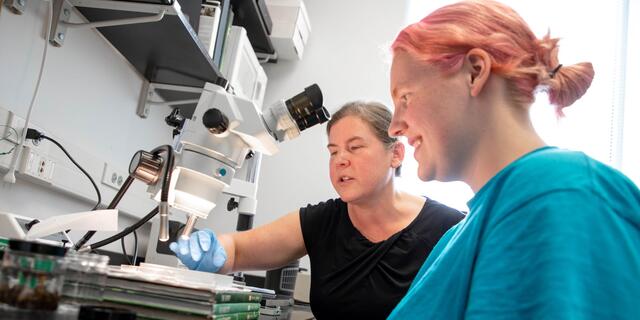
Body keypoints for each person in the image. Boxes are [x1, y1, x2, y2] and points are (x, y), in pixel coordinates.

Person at [385, 1, 640, 319]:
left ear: (475, 72)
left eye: (404, 97)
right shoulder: (462, 234)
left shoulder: (559, 194)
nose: (395, 126)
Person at [170, 101, 464, 319]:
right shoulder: (322, 221)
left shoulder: (450, 229)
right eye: (333, 151)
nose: (340, 160)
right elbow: (237, 250)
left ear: (396, 154)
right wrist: (213, 249)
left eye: (355, 147)